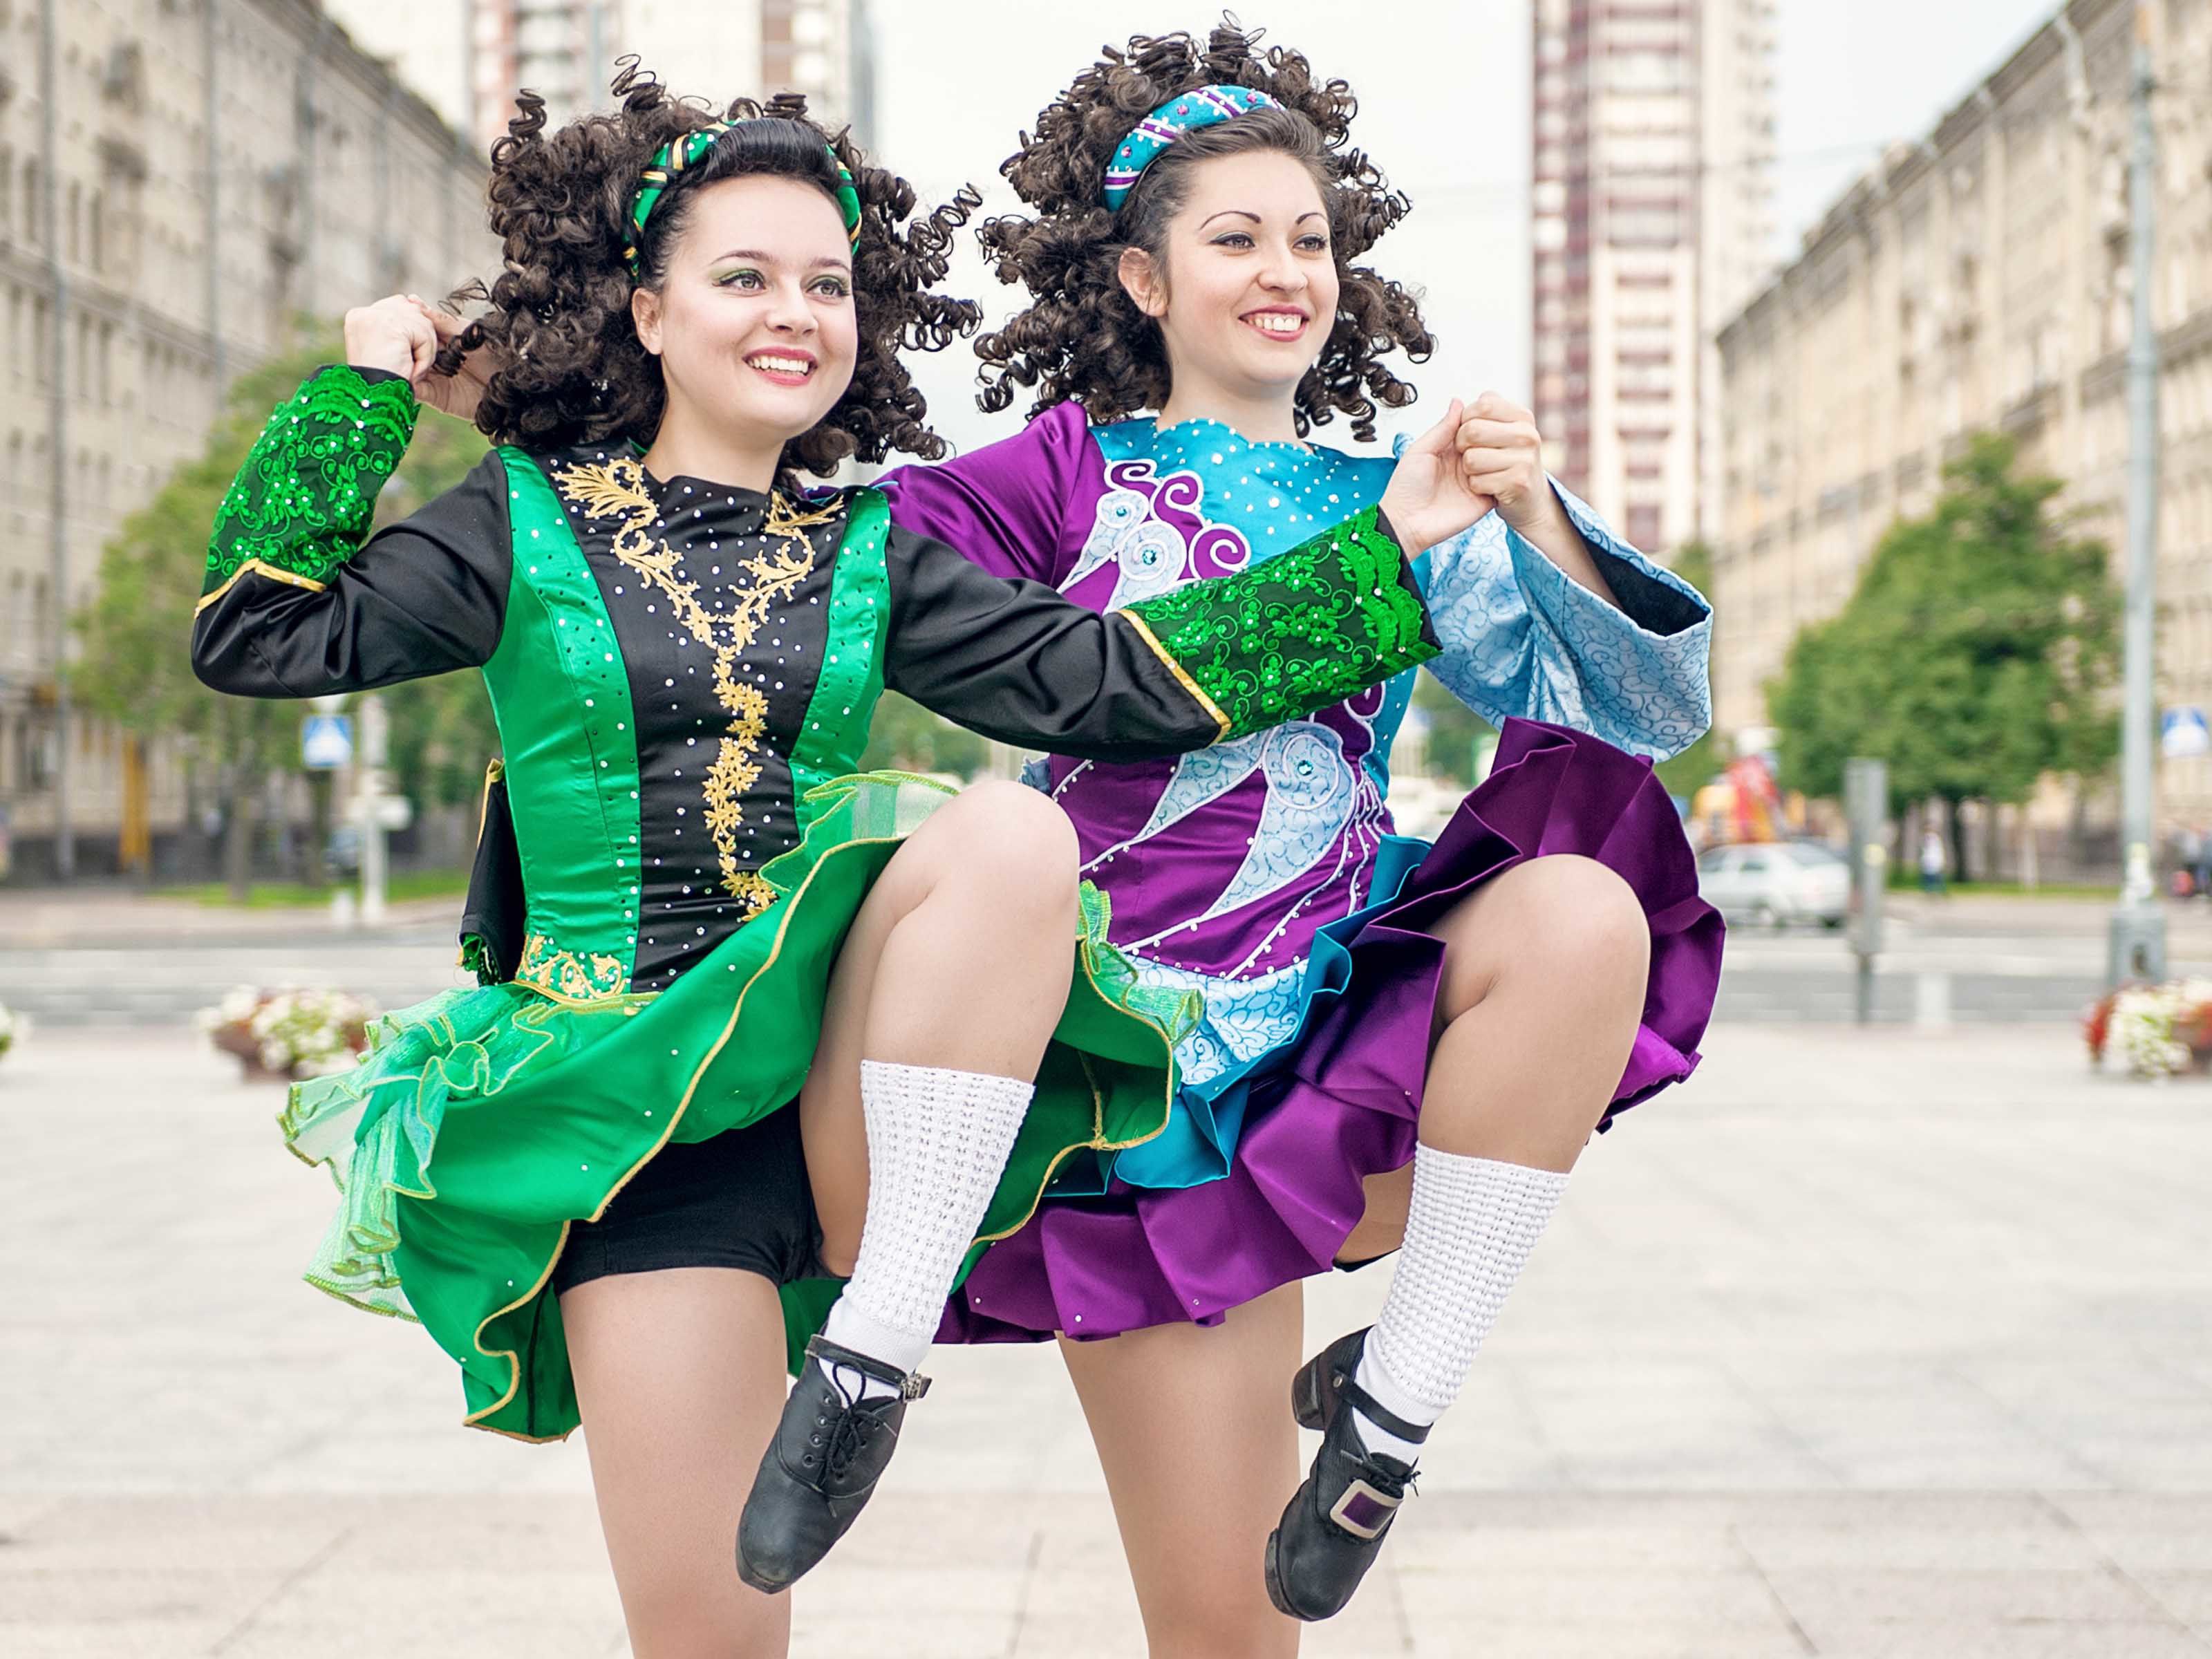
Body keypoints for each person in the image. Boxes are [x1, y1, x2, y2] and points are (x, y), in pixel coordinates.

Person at [190, 67, 1487, 1654]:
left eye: (826, 283)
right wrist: (363, 393)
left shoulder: (867, 550)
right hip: (638, 1129)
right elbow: (257, 632)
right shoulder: (520, 521)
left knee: (1008, 831)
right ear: (647, 311)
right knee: (715, 1635)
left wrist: (1389, 542)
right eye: (742, 277)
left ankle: (885, 1348)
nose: (792, 313)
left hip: (849, 1106)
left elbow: (1120, 682)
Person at [868, 25, 1725, 1644]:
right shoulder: (1064, 473)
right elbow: (863, 582)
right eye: (1236, 239)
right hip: (1140, 1091)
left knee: (1582, 914)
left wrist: (1537, 516)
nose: (1286, 273)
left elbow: (1644, 711)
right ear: (1141, 278)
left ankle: (1392, 1403)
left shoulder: (1398, 497)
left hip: (1339, 1049)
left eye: (1312, 239)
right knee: (1226, 1629)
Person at [1921, 825, 1949, 896]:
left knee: (1936, 877)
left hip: (1934, 860)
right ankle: (1931, 891)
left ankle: (1939, 891)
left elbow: (1938, 850)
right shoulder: (1927, 838)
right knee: (1930, 877)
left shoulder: (1934, 839)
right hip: (1929, 860)